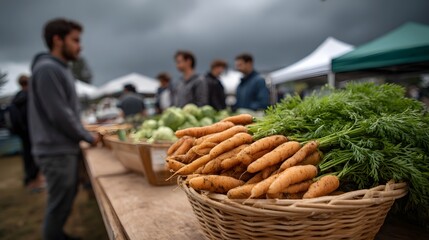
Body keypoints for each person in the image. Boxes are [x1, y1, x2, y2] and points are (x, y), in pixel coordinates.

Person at [28, 18, 99, 240]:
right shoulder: (47, 69)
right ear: (57, 40)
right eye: (75, 40)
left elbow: (67, 112)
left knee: (65, 199)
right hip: (54, 150)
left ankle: (57, 235)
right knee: (58, 204)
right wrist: (87, 136)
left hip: (61, 148)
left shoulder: (59, 69)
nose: (80, 46)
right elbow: (59, 114)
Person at [10, 75, 44, 191]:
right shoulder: (29, 97)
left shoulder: (17, 97)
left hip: (23, 133)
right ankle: (34, 182)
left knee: (27, 157)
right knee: (34, 157)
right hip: (31, 131)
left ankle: (31, 180)